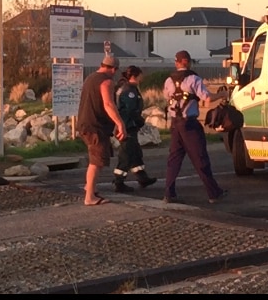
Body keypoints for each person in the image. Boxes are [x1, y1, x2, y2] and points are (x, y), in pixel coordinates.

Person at [163, 50, 229, 204]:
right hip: (190, 124)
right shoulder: (194, 79)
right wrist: (222, 95)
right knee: (200, 158)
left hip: (175, 124)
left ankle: (169, 193)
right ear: (188, 61)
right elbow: (206, 98)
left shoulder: (168, 80)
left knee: (174, 159)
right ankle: (213, 193)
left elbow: (167, 98)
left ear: (177, 62)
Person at [77, 54, 127, 206]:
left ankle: (89, 187)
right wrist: (120, 124)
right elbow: (108, 104)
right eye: (116, 70)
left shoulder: (90, 78)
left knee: (97, 157)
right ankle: (89, 197)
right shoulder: (106, 82)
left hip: (84, 123)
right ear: (114, 69)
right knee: (96, 161)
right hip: (95, 126)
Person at [112, 65, 157, 193]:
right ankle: (119, 181)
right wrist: (139, 121)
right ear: (135, 76)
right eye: (140, 75)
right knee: (126, 154)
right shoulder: (130, 91)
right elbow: (131, 110)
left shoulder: (125, 88)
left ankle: (142, 177)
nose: (142, 77)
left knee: (135, 152)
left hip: (128, 125)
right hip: (128, 126)